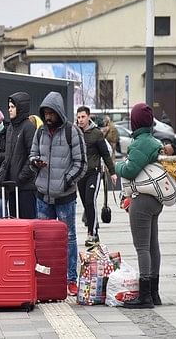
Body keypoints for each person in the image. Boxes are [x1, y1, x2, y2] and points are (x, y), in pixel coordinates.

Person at [29, 91, 87, 297]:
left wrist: (66, 181)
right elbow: (32, 155)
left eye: (50, 113)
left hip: (65, 197)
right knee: (44, 239)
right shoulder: (40, 132)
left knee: (68, 237)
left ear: (58, 112)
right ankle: (46, 279)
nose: (47, 117)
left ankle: (71, 279)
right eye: (45, 113)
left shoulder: (73, 132)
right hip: (43, 195)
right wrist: (35, 162)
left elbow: (81, 164)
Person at [115, 102, 163, 309]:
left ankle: (145, 296)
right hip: (155, 199)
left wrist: (117, 165)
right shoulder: (154, 140)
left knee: (142, 247)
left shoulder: (141, 143)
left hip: (141, 199)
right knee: (153, 245)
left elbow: (129, 170)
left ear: (135, 121)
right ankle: (154, 292)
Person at [76, 106, 117, 247]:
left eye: (83, 117)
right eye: (78, 117)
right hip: (80, 174)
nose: (80, 120)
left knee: (90, 201)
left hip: (94, 173)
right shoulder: (75, 133)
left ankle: (91, 234)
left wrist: (112, 172)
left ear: (88, 117)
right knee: (86, 204)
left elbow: (105, 154)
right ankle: (95, 231)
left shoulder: (96, 134)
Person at [0, 92, 38, 219]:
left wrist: (21, 177)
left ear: (21, 107)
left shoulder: (28, 127)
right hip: (12, 186)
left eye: (13, 107)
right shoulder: (11, 128)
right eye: (9, 107)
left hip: (25, 187)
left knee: (26, 222)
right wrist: (2, 177)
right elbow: (8, 156)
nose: (9, 110)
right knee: (14, 222)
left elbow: (33, 155)